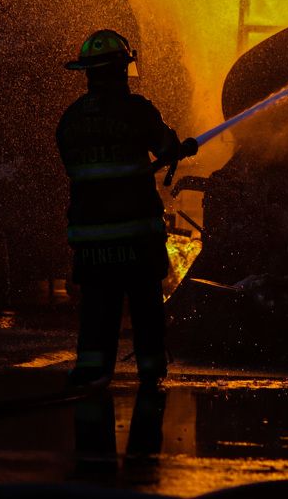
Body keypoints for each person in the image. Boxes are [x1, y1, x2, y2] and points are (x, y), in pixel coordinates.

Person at [57, 29, 197, 386]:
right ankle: (151, 373)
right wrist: (177, 146)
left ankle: (92, 371)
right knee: (146, 306)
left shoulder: (70, 120)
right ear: (122, 69)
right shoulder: (136, 110)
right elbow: (164, 144)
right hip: (135, 235)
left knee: (97, 307)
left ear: (87, 72)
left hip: (90, 237)